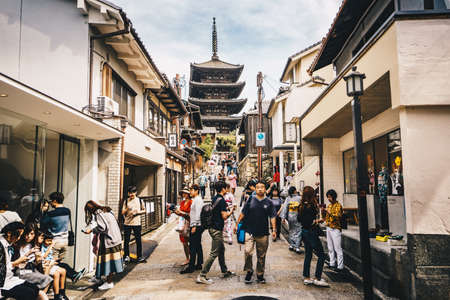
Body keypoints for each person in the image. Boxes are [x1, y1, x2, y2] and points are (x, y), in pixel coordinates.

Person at [235, 180, 277, 284]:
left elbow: (272, 216)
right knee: (248, 252)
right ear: (255, 188)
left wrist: (274, 230)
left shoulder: (269, 202)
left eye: (262, 187)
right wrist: (237, 224)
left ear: (265, 189)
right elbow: (243, 213)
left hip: (263, 233)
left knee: (261, 255)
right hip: (249, 231)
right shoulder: (250, 199)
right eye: (258, 187)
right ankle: (249, 270)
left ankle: (260, 274)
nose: (260, 189)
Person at [196, 181, 235, 284]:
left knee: (221, 249)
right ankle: (202, 275)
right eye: (225, 188)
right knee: (214, 253)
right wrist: (231, 211)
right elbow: (224, 216)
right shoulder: (221, 200)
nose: (227, 189)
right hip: (216, 229)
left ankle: (224, 271)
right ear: (223, 189)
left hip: (213, 227)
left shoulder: (215, 198)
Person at [0, 221, 48, 300]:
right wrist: (17, 262)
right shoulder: (3, 245)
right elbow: (3, 269)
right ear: (9, 233)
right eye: (18, 235)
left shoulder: (8, 244)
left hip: (10, 278)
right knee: (29, 293)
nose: (19, 238)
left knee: (35, 289)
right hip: (4, 283)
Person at [83, 200, 123, 290]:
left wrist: (92, 230)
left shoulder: (99, 214)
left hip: (109, 241)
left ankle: (109, 282)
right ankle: (100, 278)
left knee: (109, 262)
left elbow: (102, 227)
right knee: (107, 260)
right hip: (116, 238)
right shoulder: (106, 210)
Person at [297, 186, 328, 287]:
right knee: (321, 255)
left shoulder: (301, 206)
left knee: (308, 254)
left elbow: (299, 219)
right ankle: (317, 278)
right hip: (311, 232)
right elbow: (310, 221)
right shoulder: (311, 207)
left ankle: (306, 277)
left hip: (304, 232)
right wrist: (318, 220)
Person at [13, 223, 52, 293]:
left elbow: (35, 263)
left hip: (30, 269)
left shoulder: (33, 245)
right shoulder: (17, 244)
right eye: (27, 234)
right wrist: (29, 253)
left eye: (31, 234)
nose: (28, 236)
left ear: (35, 235)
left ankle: (41, 295)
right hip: (19, 271)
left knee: (47, 279)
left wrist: (39, 259)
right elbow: (16, 263)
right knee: (44, 279)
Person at [40, 192, 70, 263]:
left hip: (55, 242)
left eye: (51, 201)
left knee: (52, 263)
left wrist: (43, 212)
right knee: (61, 262)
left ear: (55, 201)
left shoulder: (51, 214)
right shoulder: (67, 211)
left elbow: (42, 224)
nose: (50, 204)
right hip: (65, 241)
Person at [180, 185, 203, 274]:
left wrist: (194, 226)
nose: (190, 192)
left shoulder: (197, 200)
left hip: (196, 225)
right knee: (197, 245)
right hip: (197, 225)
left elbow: (198, 214)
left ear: (196, 191)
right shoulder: (197, 200)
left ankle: (191, 267)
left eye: (192, 190)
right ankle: (199, 264)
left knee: (193, 246)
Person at [40, 232, 68, 300]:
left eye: (50, 240)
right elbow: (44, 256)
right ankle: (57, 295)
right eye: (48, 240)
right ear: (44, 240)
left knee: (64, 271)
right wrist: (51, 247)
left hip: (51, 264)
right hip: (45, 265)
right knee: (56, 274)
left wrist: (55, 259)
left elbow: (50, 257)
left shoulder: (48, 246)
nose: (49, 242)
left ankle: (62, 293)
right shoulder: (43, 247)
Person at [122, 186, 146, 263]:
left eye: (133, 192)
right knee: (126, 241)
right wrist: (127, 209)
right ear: (128, 193)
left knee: (138, 240)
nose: (131, 194)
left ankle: (139, 256)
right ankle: (126, 256)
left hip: (137, 223)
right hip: (127, 223)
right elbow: (122, 212)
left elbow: (144, 210)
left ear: (136, 192)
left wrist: (137, 212)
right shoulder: (126, 201)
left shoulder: (139, 200)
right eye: (130, 193)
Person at [325, 189, 344, 272]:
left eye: (329, 197)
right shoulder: (329, 206)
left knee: (338, 248)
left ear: (333, 197)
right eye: (328, 197)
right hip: (329, 227)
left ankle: (340, 266)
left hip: (336, 228)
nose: (328, 199)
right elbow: (326, 217)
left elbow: (338, 216)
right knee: (330, 247)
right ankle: (332, 262)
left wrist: (329, 212)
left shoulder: (338, 206)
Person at [281, 186, 303, 253]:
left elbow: (285, 208)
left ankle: (291, 245)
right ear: (295, 191)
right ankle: (297, 247)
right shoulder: (299, 198)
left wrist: (283, 217)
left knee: (291, 230)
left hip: (290, 217)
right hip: (298, 217)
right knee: (298, 231)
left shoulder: (288, 198)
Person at [174, 189, 192, 266]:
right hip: (182, 223)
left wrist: (182, 213)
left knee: (191, 241)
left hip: (189, 222)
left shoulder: (191, 202)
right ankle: (187, 258)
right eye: (183, 193)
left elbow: (191, 213)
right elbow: (180, 212)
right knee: (184, 242)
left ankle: (192, 257)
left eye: (185, 193)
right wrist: (177, 213)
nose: (184, 195)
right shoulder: (182, 202)